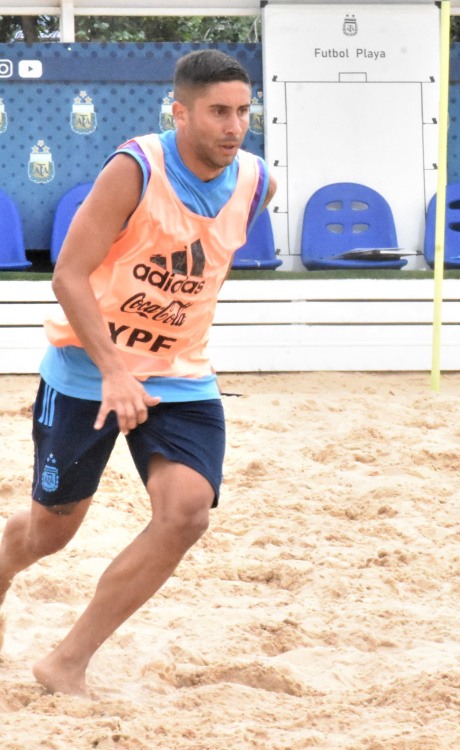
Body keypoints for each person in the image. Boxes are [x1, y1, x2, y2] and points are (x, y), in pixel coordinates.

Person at [0, 49, 277, 696]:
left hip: (179, 375)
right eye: (217, 112)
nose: (234, 126)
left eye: (243, 111)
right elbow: (67, 276)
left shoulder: (257, 181)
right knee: (50, 533)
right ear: (179, 112)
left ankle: (67, 661)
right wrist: (116, 369)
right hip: (85, 372)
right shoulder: (136, 167)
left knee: (186, 513)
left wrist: (163, 342)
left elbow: (205, 265)